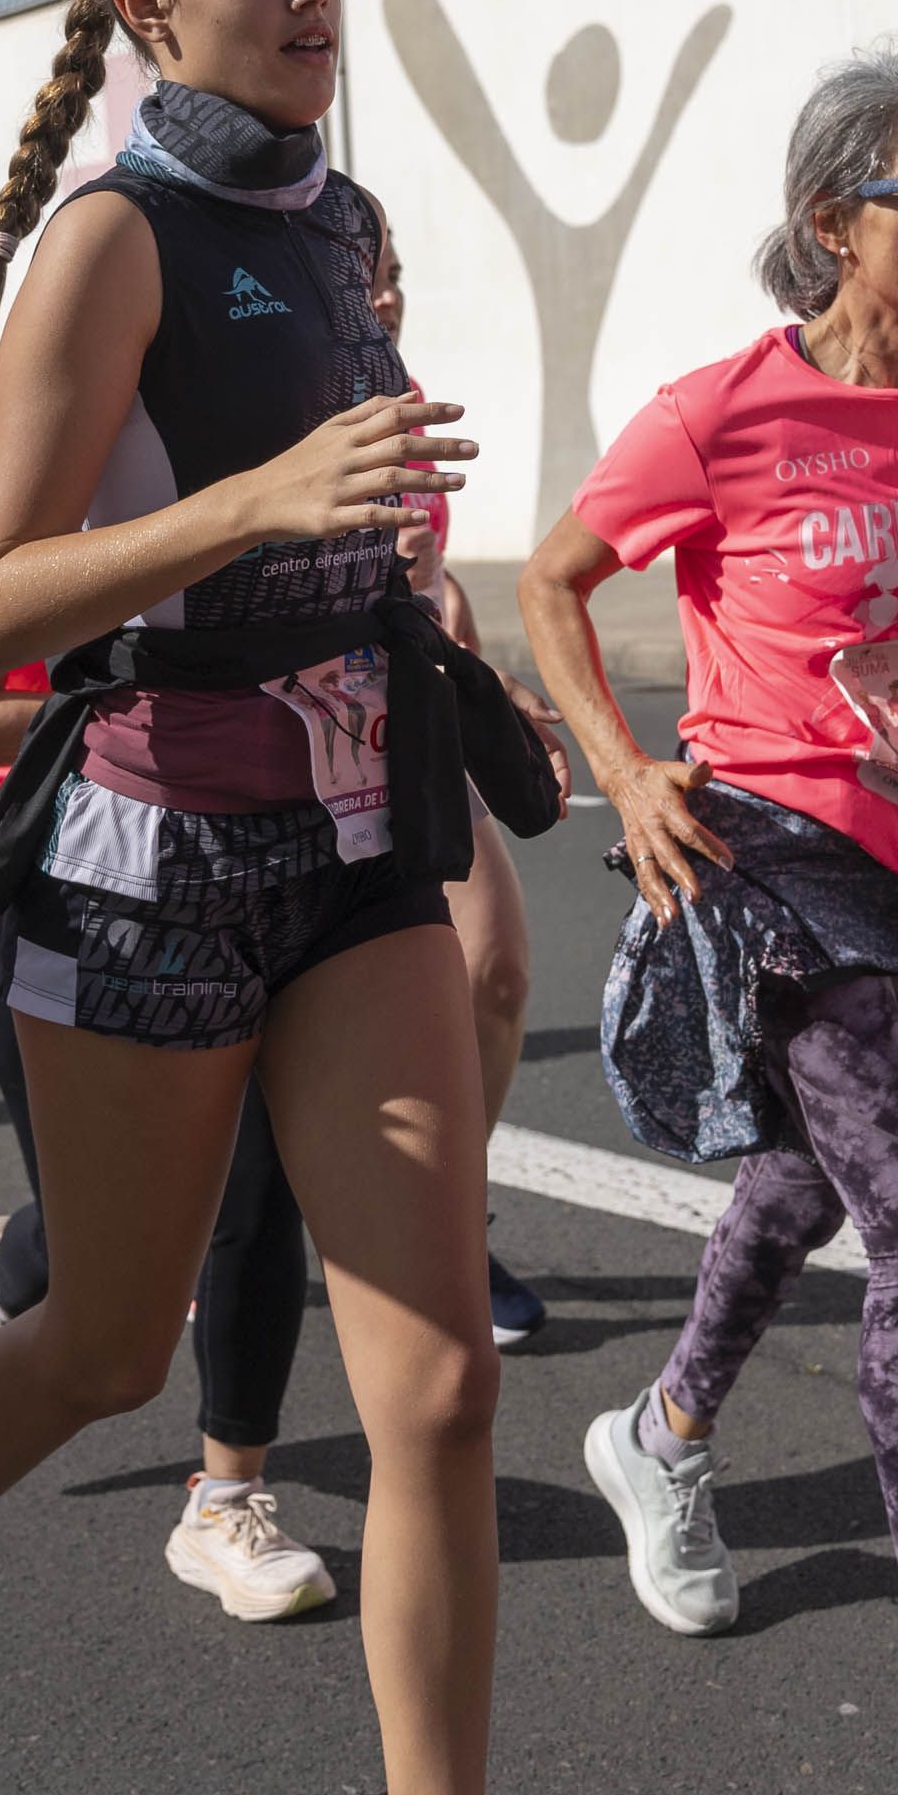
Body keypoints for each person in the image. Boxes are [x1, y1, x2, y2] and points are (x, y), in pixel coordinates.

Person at [0, 0, 551, 1795]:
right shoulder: (111, 240)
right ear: (150, 5)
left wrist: (427, 618)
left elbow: (342, 513)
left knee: (444, 1393)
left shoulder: (339, 216)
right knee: (111, 1341)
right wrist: (258, 500)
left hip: (353, 840)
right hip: (144, 857)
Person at [519, 43, 898, 1795]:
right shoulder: (722, 411)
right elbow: (552, 580)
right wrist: (624, 773)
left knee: (800, 1186)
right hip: (775, 859)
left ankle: (663, 1435)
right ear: (830, 218)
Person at [0, 513, 343, 1624]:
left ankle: (228, 1497)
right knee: (96, 1242)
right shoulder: (23, 502)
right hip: (67, 887)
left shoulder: (290, 470)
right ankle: (13, 1266)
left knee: (254, 1193)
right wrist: (169, 717)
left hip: (257, 870)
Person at [358, 189, 555, 1349]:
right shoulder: (271, 404)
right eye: (359, 273)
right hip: (297, 752)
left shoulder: (415, 410)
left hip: (418, 732)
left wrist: (490, 683)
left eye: (392, 272)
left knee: (495, 973)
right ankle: (33, 1251)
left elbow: (437, 591)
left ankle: (444, 1228)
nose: (382, 294)